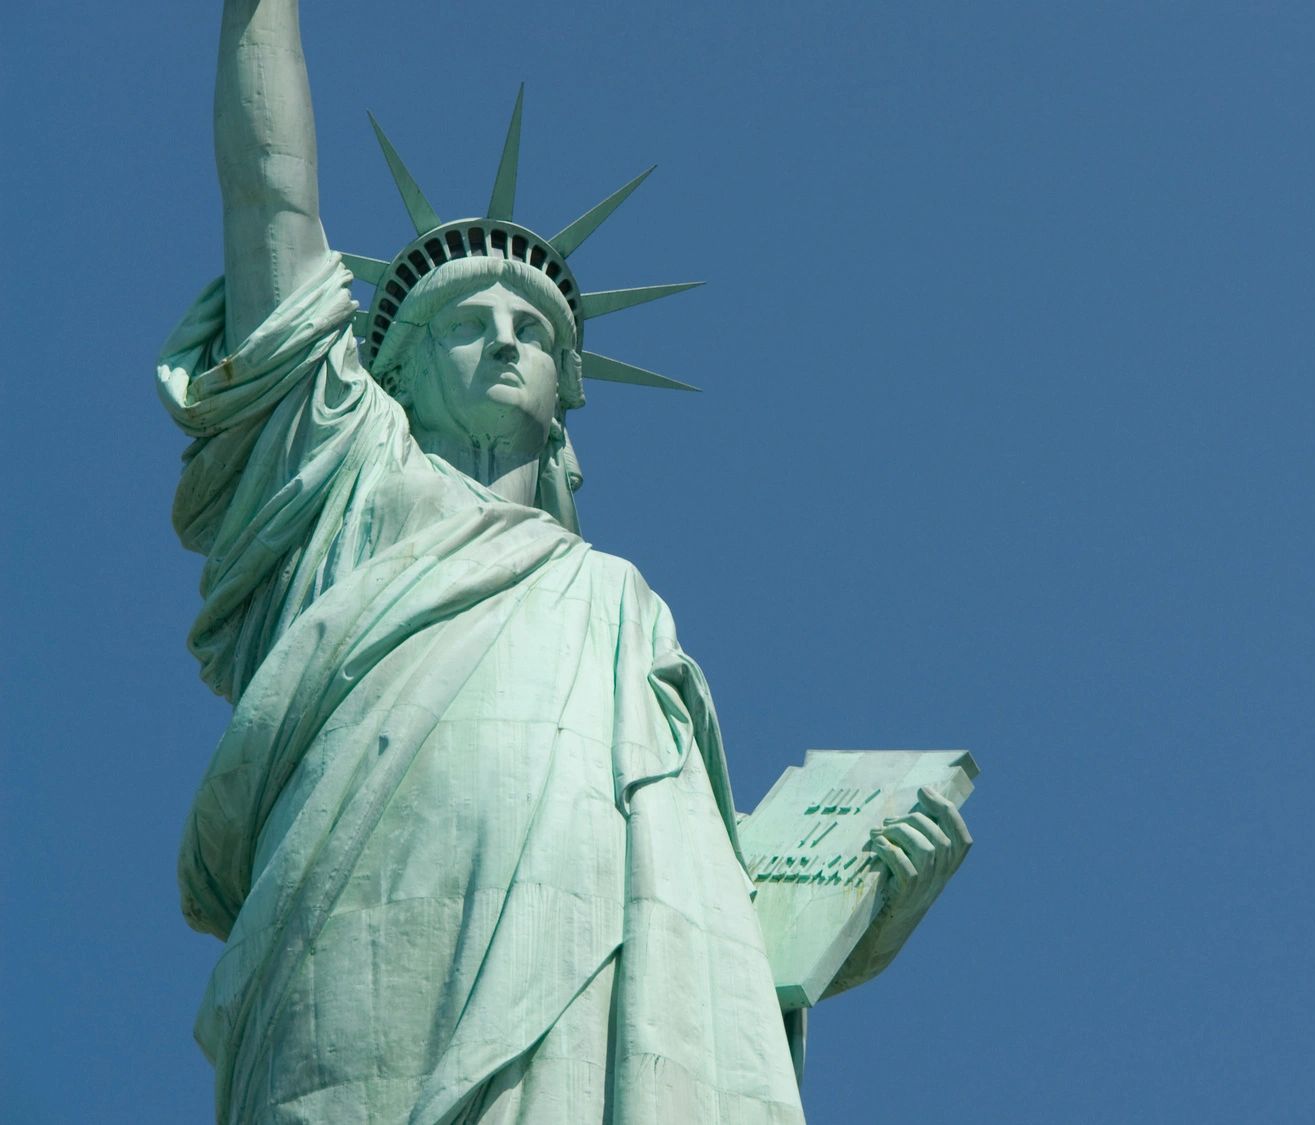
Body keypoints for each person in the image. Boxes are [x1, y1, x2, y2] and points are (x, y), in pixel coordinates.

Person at [158, 2, 970, 1122]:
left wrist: (857, 912)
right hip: (359, 928)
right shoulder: (338, 487)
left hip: (606, 1002)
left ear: (563, 391)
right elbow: (268, 195)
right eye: (464, 320)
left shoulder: (618, 607)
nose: (501, 338)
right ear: (385, 372)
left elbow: (702, 906)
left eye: (531, 328)